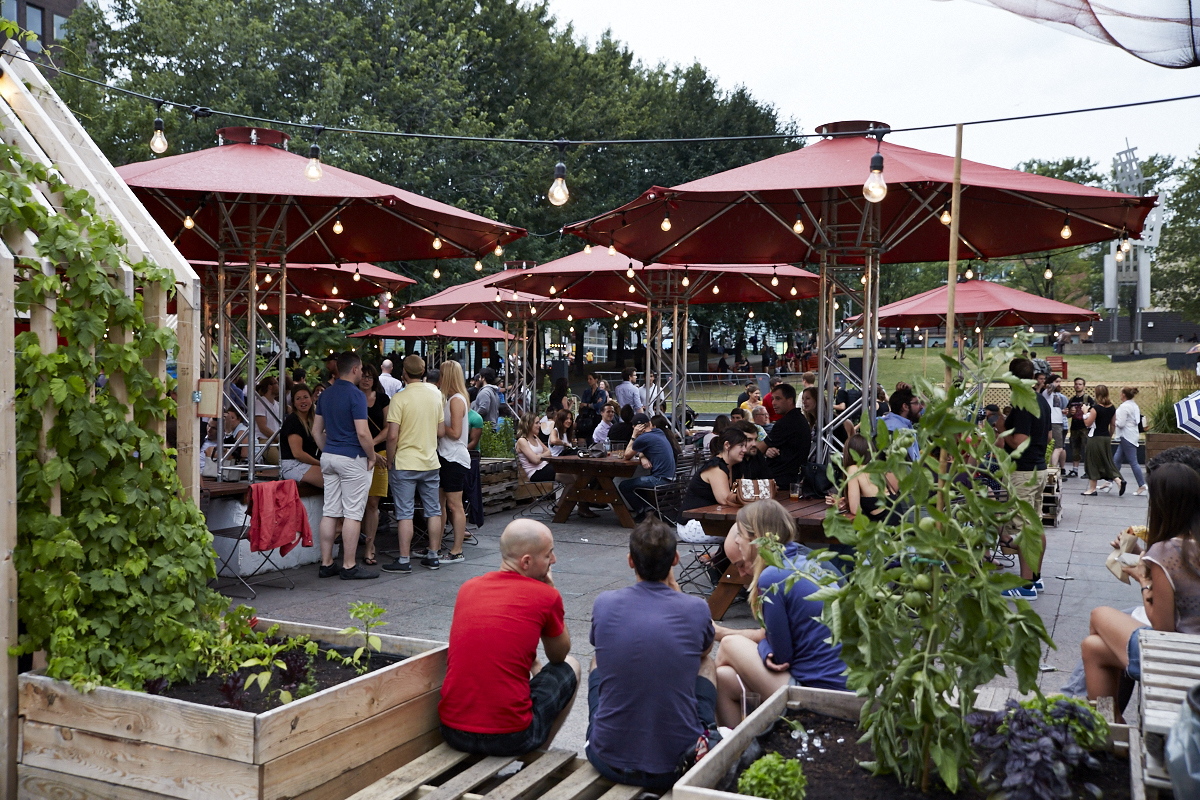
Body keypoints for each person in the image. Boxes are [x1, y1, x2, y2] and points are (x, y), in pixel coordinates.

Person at [586, 517, 717, 789]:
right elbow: (703, 650)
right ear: (675, 559)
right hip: (677, 763)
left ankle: (606, 728)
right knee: (707, 664)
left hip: (607, 758)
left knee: (598, 658)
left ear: (630, 561)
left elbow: (600, 642)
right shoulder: (696, 608)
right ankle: (707, 730)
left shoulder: (604, 603)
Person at [438, 520, 581, 755]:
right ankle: (536, 754)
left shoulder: (468, 587)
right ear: (526, 562)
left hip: (453, 731)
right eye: (549, 555)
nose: (553, 561)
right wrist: (553, 592)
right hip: (511, 737)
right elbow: (558, 656)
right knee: (571, 665)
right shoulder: (546, 596)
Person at [1081, 462, 1200, 723]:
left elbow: (1163, 626)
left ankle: (1109, 731)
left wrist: (1144, 579)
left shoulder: (1166, 552)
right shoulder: (1189, 544)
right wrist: (1138, 555)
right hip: (1192, 649)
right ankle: (1114, 727)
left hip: (1178, 656)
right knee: (1093, 648)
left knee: (1098, 615)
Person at [713, 500, 847, 726]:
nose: (737, 541)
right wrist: (766, 644)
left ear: (756, 538)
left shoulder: (772, 576)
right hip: (841, 688)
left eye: (740, 536)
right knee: (723, 679)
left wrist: (765, 648)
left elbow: (781, 657)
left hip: (817, 693)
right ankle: (738, 749)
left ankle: (731, 736)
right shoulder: (803, 562)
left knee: (728, 645)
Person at [312, 351, 378, 580]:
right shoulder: (357, 396)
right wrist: (371, 456)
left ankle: (326, 562)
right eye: (360, 369)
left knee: (330, 511)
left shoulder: (325, 395)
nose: (362, 373)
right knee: (352, 513)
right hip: (352, 458)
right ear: (354, 369)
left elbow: (315, 431)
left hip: (329, 456)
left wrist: (327, 448)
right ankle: (349, 565)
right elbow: (362, 432)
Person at [382, 354, 446, 575]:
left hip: (405, 462)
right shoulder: (436, 395)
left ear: (404, 374)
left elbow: (392, 436)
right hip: (430, 461)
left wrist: (390, 459)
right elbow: (441, 431)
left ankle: (404, 559)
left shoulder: (398, 399)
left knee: (405, 513)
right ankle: (433, 555)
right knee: (434, 510)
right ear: (424, 373)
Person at [995, 357, 1052, 600]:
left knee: (1023, 530)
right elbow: (1048, 437)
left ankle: (1025, 585)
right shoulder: (1042, 400)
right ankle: (1035, 578)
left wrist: (1000, 428)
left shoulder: (1021, 404)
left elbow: (1018, 441)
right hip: (1039, 469)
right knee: (1035, 526)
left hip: (1023, 471)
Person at [437, 360, 472, 565]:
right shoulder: (454, 399)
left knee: (453, 504)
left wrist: (439, 425)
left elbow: (456, 433)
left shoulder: (456, 400)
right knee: (441, 503)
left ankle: (457, 549)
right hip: (446, 456)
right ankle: (437, 544)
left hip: (454, 457)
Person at [359, 364, 391, 567]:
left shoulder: (382, 399)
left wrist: (373, 445)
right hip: (357, 453)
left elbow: (389, 427)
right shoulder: (353, 398)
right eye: (363, 376)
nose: (366, 380)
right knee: (357, 504)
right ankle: (357, 542)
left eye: (370, 377)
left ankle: (369, 546)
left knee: (373, 504)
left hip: (379, 454)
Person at [618, 413, 677, 520]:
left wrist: (634, 435)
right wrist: (642, 456)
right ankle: (648, 510)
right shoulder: (659, 432)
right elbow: (647, 448)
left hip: (660, 479)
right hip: (672, 478)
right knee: (637, 485)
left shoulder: (644, 437)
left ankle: (642, 512)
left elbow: (627, 455)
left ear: (635, 427)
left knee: (624, 485)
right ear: (649, 423)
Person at [683, 428, 752, 513]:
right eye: (741, 445)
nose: (745, 450)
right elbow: (725, 500)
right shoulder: (716, 467)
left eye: (745, 446)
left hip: (716, 517)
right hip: (694, 519)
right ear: (727, 445)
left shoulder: (737, 466)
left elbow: (743, 493)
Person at [840, 434, 898, 522]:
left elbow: (855, 510)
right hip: (898, 523)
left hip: (885, 528)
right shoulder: (878, 468)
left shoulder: (853, 469)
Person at [763, 383, 809, 491]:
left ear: (790, 400)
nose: (773, 403)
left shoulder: (786, 423)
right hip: (790, 479)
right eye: (772, 399)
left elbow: (758, 450)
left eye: (778, 399)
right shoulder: (799, 418)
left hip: (781, 482)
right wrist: (768, 450)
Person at [279, 385, 324, 487]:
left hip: (309, 463)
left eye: (305, 397)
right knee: (331, 479)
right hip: (293, 465)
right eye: (298, 399)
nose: (303, 401)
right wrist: (320, 463)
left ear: (312, 399)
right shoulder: (293, 421)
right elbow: (298, 454)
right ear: (294, 403)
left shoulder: (314, 419)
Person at [1082, 384, 1122, 497]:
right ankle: (1118, 480)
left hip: (1095, 438)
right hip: (1105, 437)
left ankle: (1092, 489)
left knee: (1092, 462)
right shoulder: (1112, 407)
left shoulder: (1096, 408)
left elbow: (1087, 423)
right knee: (1106, 461)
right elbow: (1113, 424)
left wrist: (1085, 412)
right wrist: (1109, 436)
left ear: (1096, 394)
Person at [1113, 387, 1146, 496]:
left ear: (1123, 395)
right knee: (1116, 460)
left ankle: (1142, 485)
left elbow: (1121, 423)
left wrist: (1113, 422)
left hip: (1126, 436)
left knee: (1133, 461)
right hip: (1132, 434)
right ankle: (1109, 481)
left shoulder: (1124, 407)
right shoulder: (1134, 405)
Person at [882, 387, 921, 462]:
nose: (921, 407)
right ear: (905, 406)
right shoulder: (895, 429)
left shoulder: (902, 423)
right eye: (917, 403)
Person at [1042, 374, 1069, 479]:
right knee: (1058, 447)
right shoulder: (1047, 393)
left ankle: (1051, 469)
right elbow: (1049, 387)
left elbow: (1053, 407)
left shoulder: (1055, 395)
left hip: (1058, 421)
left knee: (1055, 447)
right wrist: (1051, 382)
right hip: (1053, 422)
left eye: (1060, 382)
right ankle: (1053, 470)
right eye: (1057, 381)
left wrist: (1062, 411)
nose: (1059, 384)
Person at [516, 412, 555, 482]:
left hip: (546, 468)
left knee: (571, 478)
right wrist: (541, 457)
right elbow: (535, 460)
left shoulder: (535, 437)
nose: (539, 425)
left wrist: (539, 456)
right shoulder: (522, 441)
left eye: (539, 423)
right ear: (529, 424)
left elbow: (549, 452)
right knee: (562, 470)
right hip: (535, 473)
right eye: (537, 423)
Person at [1067, 378, 1093, 477]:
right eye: (1076, 384)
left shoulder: (1088, 399)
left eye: (1080, 384)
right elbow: (1068, 414)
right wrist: (1069, 412)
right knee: (1074, 449)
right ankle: (1075, 470)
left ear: (1084, 386)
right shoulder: (1072, 399)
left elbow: (1093, 412)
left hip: (1085, 428)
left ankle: (1088, 471)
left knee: (1087, 449)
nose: (1078, 386)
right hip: (1074, 427)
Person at [253, 375, 282, 461]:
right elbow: (263, 428)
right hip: (264, 439)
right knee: (278, 462)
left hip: (276, 439)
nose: (279, 385)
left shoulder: (278, 404)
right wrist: (280, 439)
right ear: (270, 386)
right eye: (276, 383)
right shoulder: (259, 403)